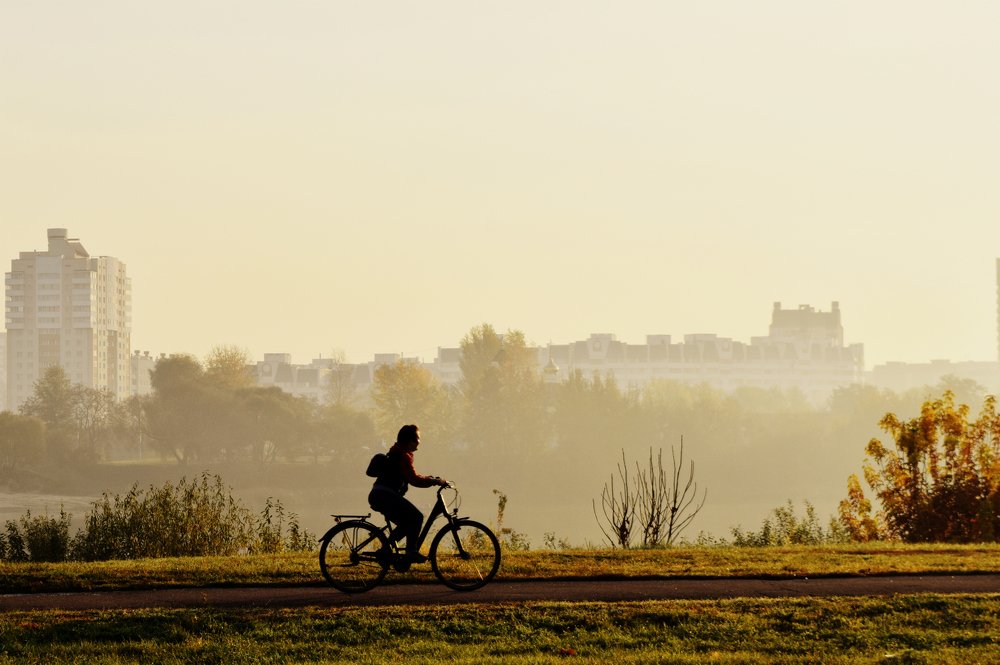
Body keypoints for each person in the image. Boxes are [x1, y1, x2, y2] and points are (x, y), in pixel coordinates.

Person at [368, 424, 448, 564]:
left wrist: (430, 479)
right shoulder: (402, 455)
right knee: (416, 517)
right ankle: (411, 551)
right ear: (410, 441)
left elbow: (412, 476)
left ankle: (385, 549)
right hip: (385, 496)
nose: (419, 442)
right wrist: (434, 481)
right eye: (418, 438)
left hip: (380, 495)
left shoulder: (398, 452)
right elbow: (414, 480)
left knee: (407, 523)